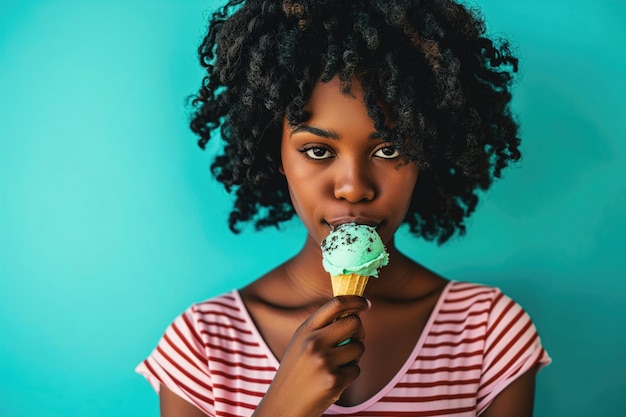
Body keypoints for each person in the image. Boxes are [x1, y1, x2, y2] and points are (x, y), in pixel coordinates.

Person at [136, 0, 551, 416]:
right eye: (317, 150)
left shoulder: (489, 334)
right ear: (276, 153)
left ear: (425, 153)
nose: (354, 188)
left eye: (390, 149)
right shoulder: (202, 346)